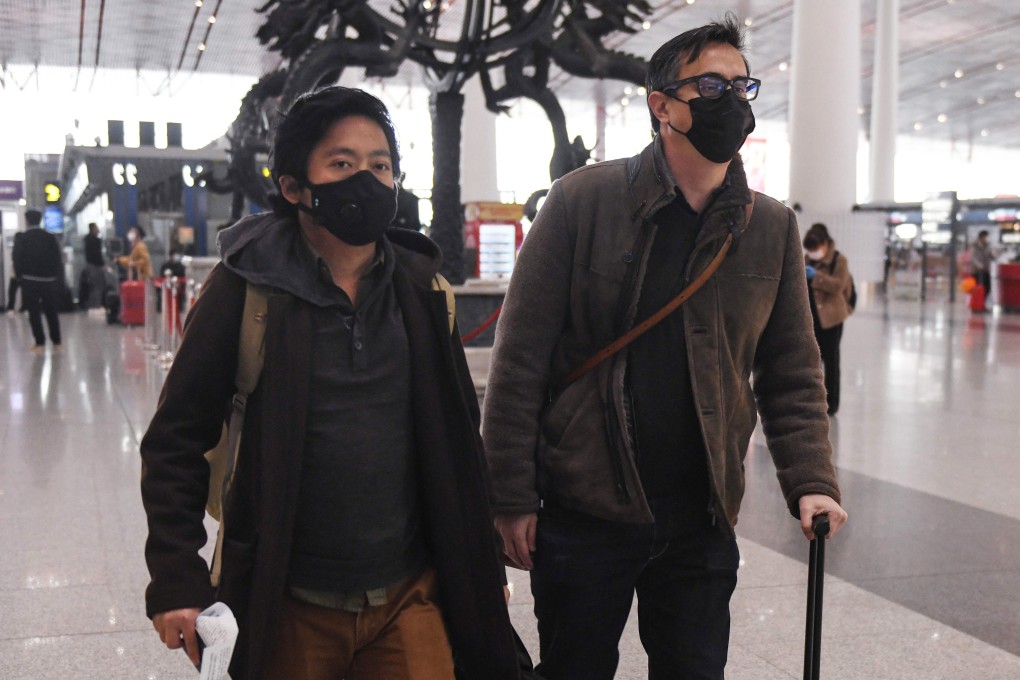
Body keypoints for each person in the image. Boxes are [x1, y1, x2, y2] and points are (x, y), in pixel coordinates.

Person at [482, 17, 847, 680]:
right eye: (711, 84)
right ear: (661, 105)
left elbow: (792, 373)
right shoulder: (581, 203)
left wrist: (810, 483)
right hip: (582, 509)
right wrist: (509, 494)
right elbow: (520, 360)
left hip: (701, 516)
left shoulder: (769, 228)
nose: (732, 100)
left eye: (743, 86)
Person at [140, 86, 521, 680]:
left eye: (380, 166)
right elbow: (175, 441)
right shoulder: (248, 288)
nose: (366, 181)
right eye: (342, 164)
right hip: (288, 596)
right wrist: (174, 577)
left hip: (408, 593)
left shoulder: (422, 291)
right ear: (294, 188)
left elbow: (457, 441)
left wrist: (481, 567)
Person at [803, 223, 853, 415]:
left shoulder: (839, 261)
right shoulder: (807, 259)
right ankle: (813, 400)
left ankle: (832, 404)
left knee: (831, 361)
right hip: (812, 318)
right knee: (812, 361)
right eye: (810, 249)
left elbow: (839, 286)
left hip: (832, 318)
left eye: (816, 248)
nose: (813, 253)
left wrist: (817, 277)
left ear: (825, 244)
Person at [12, 209, 63, 351]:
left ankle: (39, 342)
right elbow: (57, 258)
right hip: (48, 280)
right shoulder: (50, 237)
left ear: (27, 221)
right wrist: (55, 276)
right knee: (51, 311)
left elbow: (16, 258)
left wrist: (19, 276)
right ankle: (57, 341)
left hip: (29, 280)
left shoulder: (22, 238)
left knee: (34, 312)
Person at [83, 222, 106, 309]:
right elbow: (97, 254)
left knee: (92, 286)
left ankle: (92, 305)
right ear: (93, 229)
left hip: (89, 265)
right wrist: (103, 265)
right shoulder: (96, 240)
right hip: (96, 266)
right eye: (96, 228)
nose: (98, 229)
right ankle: (97, 306)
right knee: (98, 286)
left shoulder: (86, 239)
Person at [969, 229, 994, 310]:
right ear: (981, 237)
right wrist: (979, 265)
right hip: (976, 271)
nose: (986, 239)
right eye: (985, 237)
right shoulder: (974, 246)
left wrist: (995, 254)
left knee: (987, 287)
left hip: (986, 270)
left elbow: (992, 256)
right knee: (977, 288)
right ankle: (976, 305)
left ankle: (982, 303)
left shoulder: (988, 246)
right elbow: (973, 258)